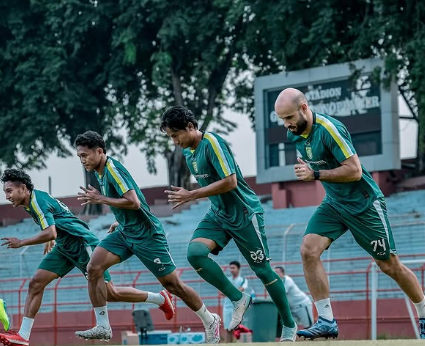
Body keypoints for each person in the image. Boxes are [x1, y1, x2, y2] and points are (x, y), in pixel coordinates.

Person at [274, 87, 425, 340]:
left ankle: (423, 313)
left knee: (389, 265)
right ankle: (326, 320)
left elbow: (354, 171)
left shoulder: (330, 128)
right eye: (282, 119)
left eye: (289, 118)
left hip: (364, 204)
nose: (286, 125)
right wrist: (310, 170)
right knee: (308, 250)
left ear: (304, 108)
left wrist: (315, 174)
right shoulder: (295, 134)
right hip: (335, 203)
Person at [160, 106, 297, 342]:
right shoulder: (188, 153)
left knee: (263, 271)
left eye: (175, 135)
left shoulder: (212, 143)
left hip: (245, 213)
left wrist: (192, 194)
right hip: (219, 214)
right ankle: (238, 298)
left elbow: (231, 181)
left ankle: (288, 325)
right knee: (195, 253)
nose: (174, 142)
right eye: (171, 137)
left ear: (191, 127)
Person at [74, 131, 220, 343]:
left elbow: (134, 202)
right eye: (79, 156)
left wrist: (100, 199)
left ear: (99, 151)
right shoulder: (100, 172)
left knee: (173, 285)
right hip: (125, 231)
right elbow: (128, 203)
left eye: (85, 155)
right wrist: (120, 218)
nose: (82, 160)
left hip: (147, 235)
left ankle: (209, 319)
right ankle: (103, 326)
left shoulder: (112, 170)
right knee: (94, 268)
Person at [0, 169, 174, 346]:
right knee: (36, 282)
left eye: (9, 191)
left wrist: (22, 242)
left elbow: (50, 231)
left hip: (82, 243)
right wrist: (51, 237)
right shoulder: (33, 201)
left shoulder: (37, 201)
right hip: (64, 247)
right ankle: (23, 336)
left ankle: (159, 298)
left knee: (110, 294)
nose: (7, 196)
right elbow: (54, 227)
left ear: (22, 188)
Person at [275, 266, 313, 332]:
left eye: (277, 272)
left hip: (302, 305)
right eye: (274, 272)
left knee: (309, 327)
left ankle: (314, 341)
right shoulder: (277, 282)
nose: (275, 274)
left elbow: (281, 293)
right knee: (289, 327)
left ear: (282, 273)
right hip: (292, 308)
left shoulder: (287, 280)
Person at [223, 261, 248, 342]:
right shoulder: (226, 280)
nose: (231, 270)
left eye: (233, 268)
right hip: (227, 307)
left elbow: (239, 291)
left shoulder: (243, 280)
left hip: (238, 307)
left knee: (237, 327)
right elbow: (221, 292)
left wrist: (228, 291)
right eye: (230, 268)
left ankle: (236, 343)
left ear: (238, 268)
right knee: (228, 328)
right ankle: (228, 343)